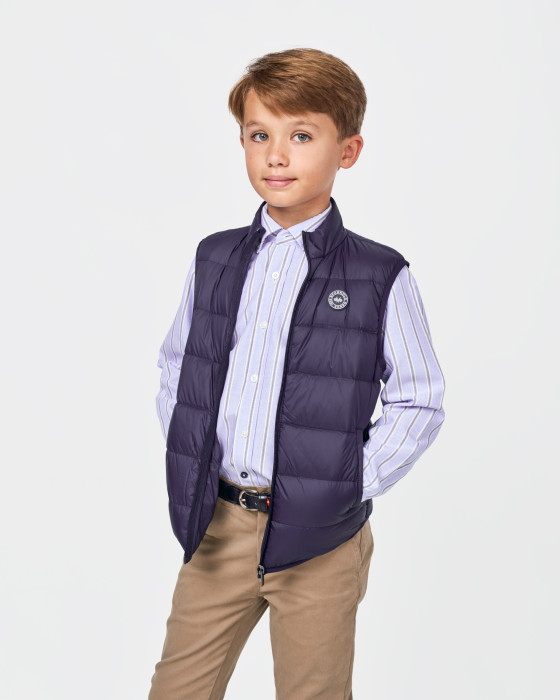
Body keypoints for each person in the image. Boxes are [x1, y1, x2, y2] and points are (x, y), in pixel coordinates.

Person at [148, 47, 446, 700]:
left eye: (301, 136)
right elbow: (178, 365)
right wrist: (193, 455)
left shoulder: (378, 273)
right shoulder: (215, 257)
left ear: (348, 151)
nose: (276, 156)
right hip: (218, 528)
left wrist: (342, 485)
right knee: (177, 688)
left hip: (322, 541)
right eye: (260, 135)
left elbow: (418, 400)